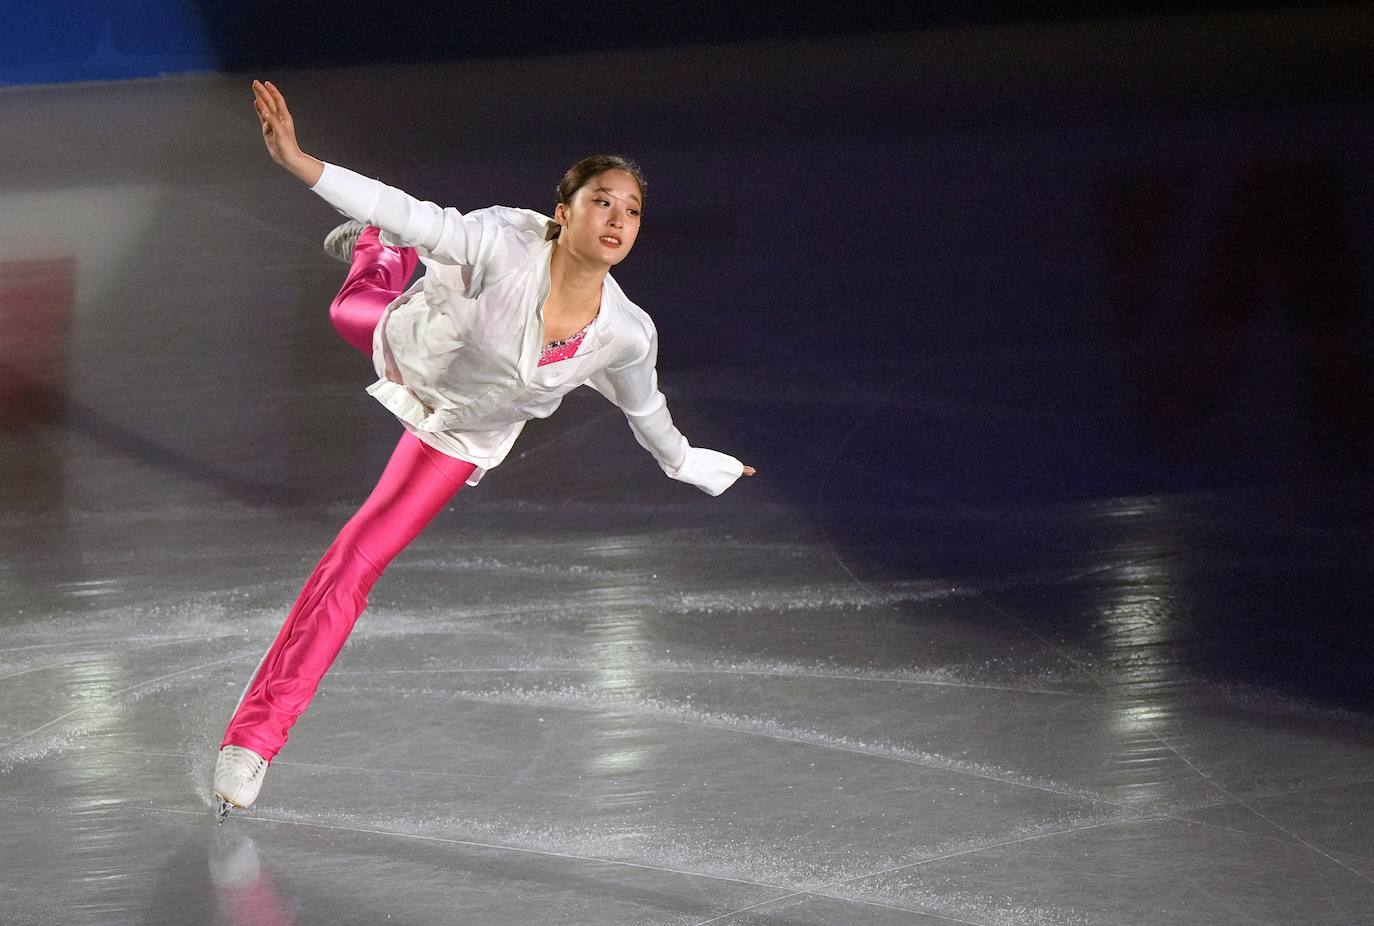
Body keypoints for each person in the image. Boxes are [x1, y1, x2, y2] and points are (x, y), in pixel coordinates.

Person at [212, 81, 755, 821]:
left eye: (631, 210)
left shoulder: (627, 333)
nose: (617, 218)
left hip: (459, 433)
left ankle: (252, 743)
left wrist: (685, 462)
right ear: (562, 212)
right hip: (413, 344)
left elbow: (644, 408)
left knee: (356, 556)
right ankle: (375, 250)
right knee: (348, 304)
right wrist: (302, 163)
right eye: (601, 200)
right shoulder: (500, 242)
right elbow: (406, 206)